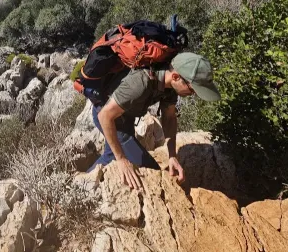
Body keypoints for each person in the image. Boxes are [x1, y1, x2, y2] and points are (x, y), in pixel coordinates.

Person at [88, 52, 221, 190]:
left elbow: (169, 117)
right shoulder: (140, 83)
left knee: (110, 155)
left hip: (124, 116)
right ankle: (86, 185)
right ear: (175, 77)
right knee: (150, 169)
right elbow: (104, 116)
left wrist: (172, 156)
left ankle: (83, 183)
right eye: (192, 89)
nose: (193, 94)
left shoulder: (170, 87)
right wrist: (122, 160)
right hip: (108, 116)